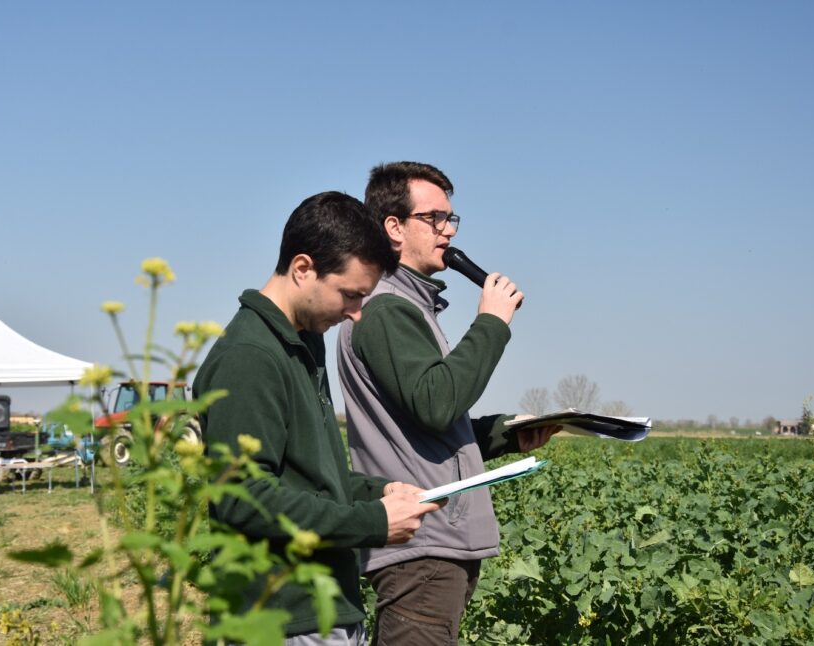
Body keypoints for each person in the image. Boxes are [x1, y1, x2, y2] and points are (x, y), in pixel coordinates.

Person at [194, 191, 442, 645]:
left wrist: (378, 492)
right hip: (281, 618)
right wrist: (372, 524)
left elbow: (308, 479)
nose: (356, 313)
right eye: (350, 295)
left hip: (324, 611)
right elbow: (242, 499)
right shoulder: (249, 356)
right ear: (303, 268)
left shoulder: (302, 344)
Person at [337, 162, 556, 645]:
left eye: (451, 218)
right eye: (434, 218)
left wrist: (508, 433)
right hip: (422, 545)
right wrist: (492, 324)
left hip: (432, 547)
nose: (448, 230)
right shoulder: (387, 309)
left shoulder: (408, 307)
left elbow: (428, 427)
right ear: (394, 227)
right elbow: (437, 404)